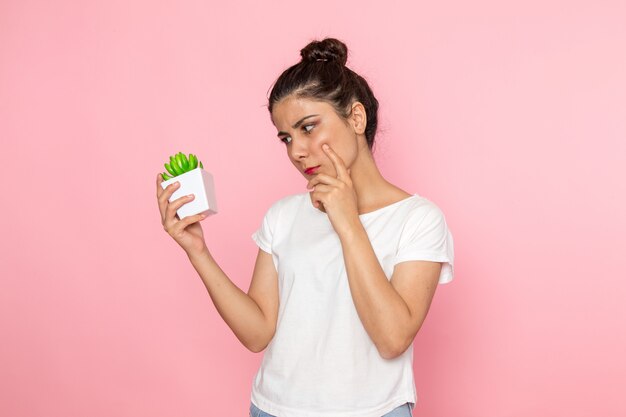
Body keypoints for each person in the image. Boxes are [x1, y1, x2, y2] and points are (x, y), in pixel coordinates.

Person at [156, 37, 454, 417]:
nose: (296, 150)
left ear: (356, 118)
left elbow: (393, 338)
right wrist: (197, 250)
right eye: (286, 138)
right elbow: (257, 332)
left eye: (308, 127)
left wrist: (347, 221)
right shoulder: (283, 215)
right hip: (273, 409)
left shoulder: (418, 219)